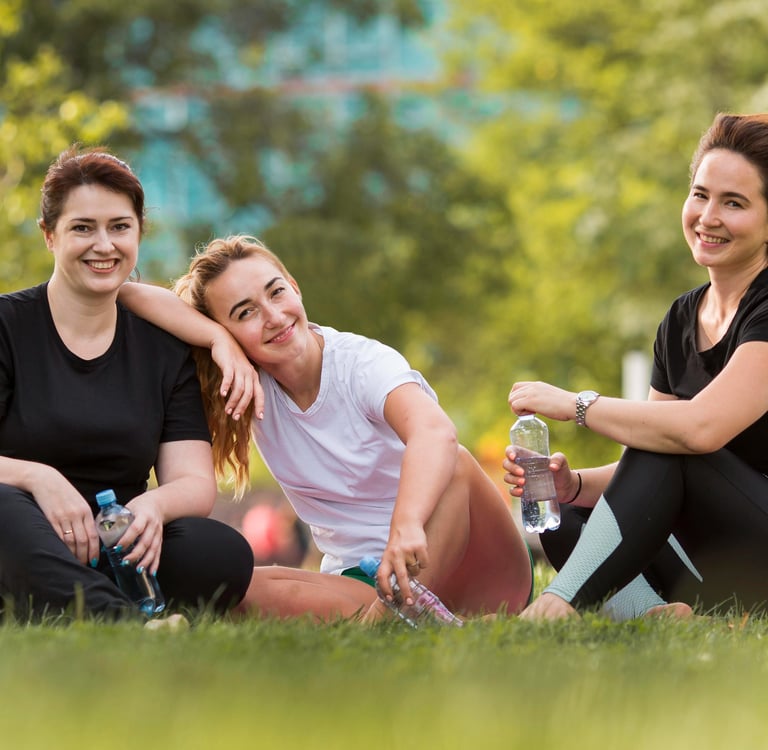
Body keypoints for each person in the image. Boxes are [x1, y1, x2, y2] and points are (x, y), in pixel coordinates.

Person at [119, 234, 533, 622]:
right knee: (227, 583)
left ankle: (384, 626)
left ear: (295, 288)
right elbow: (128, 292)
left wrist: (406, 524)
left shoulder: (361, 363)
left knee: (457, 464)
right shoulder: (250, 386)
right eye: (245, 313)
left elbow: (434, 431)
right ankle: (397, 618)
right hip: (367, 581)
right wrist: (215, 340)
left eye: (276, 291)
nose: (273, 316)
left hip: (465, 560)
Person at [504, 113, 768, 620]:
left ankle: (555, 608)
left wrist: (576, 405)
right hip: (717, 561)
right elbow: (653, 470)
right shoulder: (680, 318)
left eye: (734, 203)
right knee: (561, 520)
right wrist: (574, 485)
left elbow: (698, 431)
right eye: (700, 194)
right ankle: (663, 615)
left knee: (678, 439)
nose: (708, 216)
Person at [0, 145, 256, 621]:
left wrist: (152, 509)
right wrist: (38, 478)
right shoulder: (7, 325)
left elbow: (194, 483)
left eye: (119, 227)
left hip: (115, 543)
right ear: (49, 236)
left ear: (139, 232)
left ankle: (55, 600)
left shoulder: (163, 347)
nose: (104, 245)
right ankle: (125, 622)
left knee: (220, 552)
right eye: (83, 228)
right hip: (19, 527)